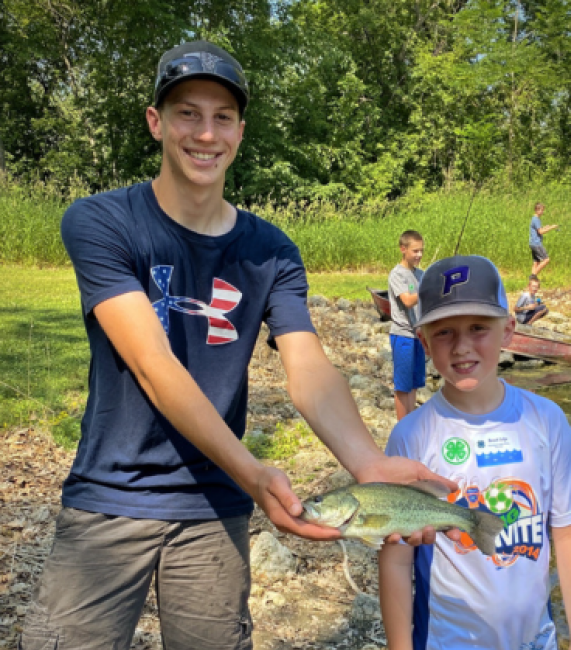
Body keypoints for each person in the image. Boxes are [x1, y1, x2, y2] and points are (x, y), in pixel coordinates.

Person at [19, 41, 456, 650]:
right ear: (156, 123)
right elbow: (152, 365)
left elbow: (307, 367)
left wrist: (366, 464)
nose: (205, 133)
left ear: (241, 131)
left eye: (222, 116)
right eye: (186, 113)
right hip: (108, 498)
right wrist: (253, 473)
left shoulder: (271, 250)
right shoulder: (101, 222)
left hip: (212, 508)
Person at [378, 254, 571, 650]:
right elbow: (396, 557)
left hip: (536, 640)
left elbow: (569, 533)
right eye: (444, 332)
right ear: (424, 341)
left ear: (509, 331)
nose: (462, 346)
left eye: (479, 327)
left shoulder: (547, 419)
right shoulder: (411, 436)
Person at [388, 230, 426, 420]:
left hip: (418, 335)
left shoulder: (419, 274)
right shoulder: (397, 275)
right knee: (402, 385)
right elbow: (408, 301)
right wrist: (425, 290)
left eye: (421, 251)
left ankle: (411, 422)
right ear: (403, 249)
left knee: (413, 383)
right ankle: (402, 426)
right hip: (402, 335)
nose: (419, 255)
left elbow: (416, 296)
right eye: (415, 251)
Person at [529, 202, 559, 275]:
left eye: (543, 210)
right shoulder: (536, 219)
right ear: (536, 210)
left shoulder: (534, 219)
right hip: (536, 244)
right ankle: (533, 276)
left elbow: (538, 229)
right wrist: (551, 228)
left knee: (536, 262)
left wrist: (546, 227)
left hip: (532, 243)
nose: (542, 212)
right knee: (546, 259)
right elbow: (541, 232)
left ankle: (532, 281)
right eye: (541, 210)